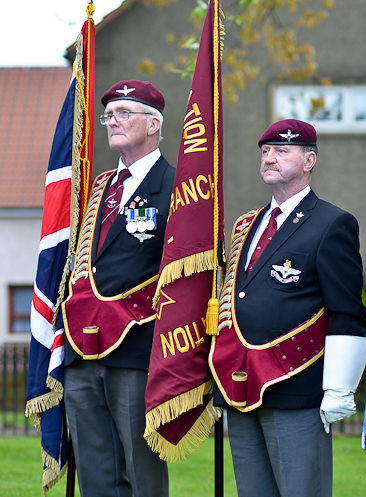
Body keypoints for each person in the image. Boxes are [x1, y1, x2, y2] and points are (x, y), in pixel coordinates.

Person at [209, 119, 366, 497]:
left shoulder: (332, 223)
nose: (270, 158)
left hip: (297, 383)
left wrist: (339, 387)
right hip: (243, 383)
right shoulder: (247, 224)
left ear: (309, 160)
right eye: (265, 152)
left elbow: (347, 311)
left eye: (282, 151)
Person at [62, 80, 175, 496]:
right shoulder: (98, 188)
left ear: (152, 124)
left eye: (124, 114)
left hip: (137, 348)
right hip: (82, 348)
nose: (112, 122)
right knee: (95, 473)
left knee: (141, 472)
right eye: (109, 115)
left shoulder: (179, 189)